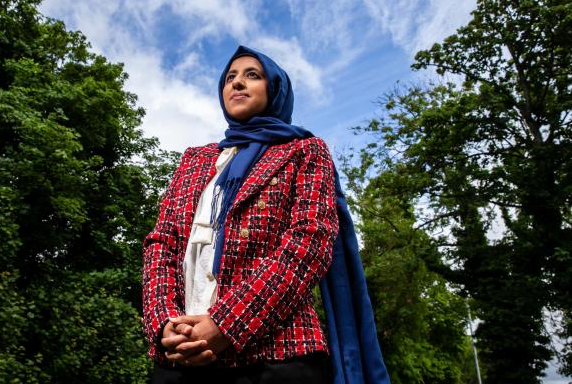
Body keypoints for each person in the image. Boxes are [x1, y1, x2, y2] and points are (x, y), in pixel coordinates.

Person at [142, 46, 390, 384]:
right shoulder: (193, 160)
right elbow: (162, 243)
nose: (238, 83)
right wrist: (164, 325)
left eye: (252, 75)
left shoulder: (304, 151)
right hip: (182, 360)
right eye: (230, 78)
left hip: (277, 359)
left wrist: (226, 324)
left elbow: (309, 244)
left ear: (275, 89)